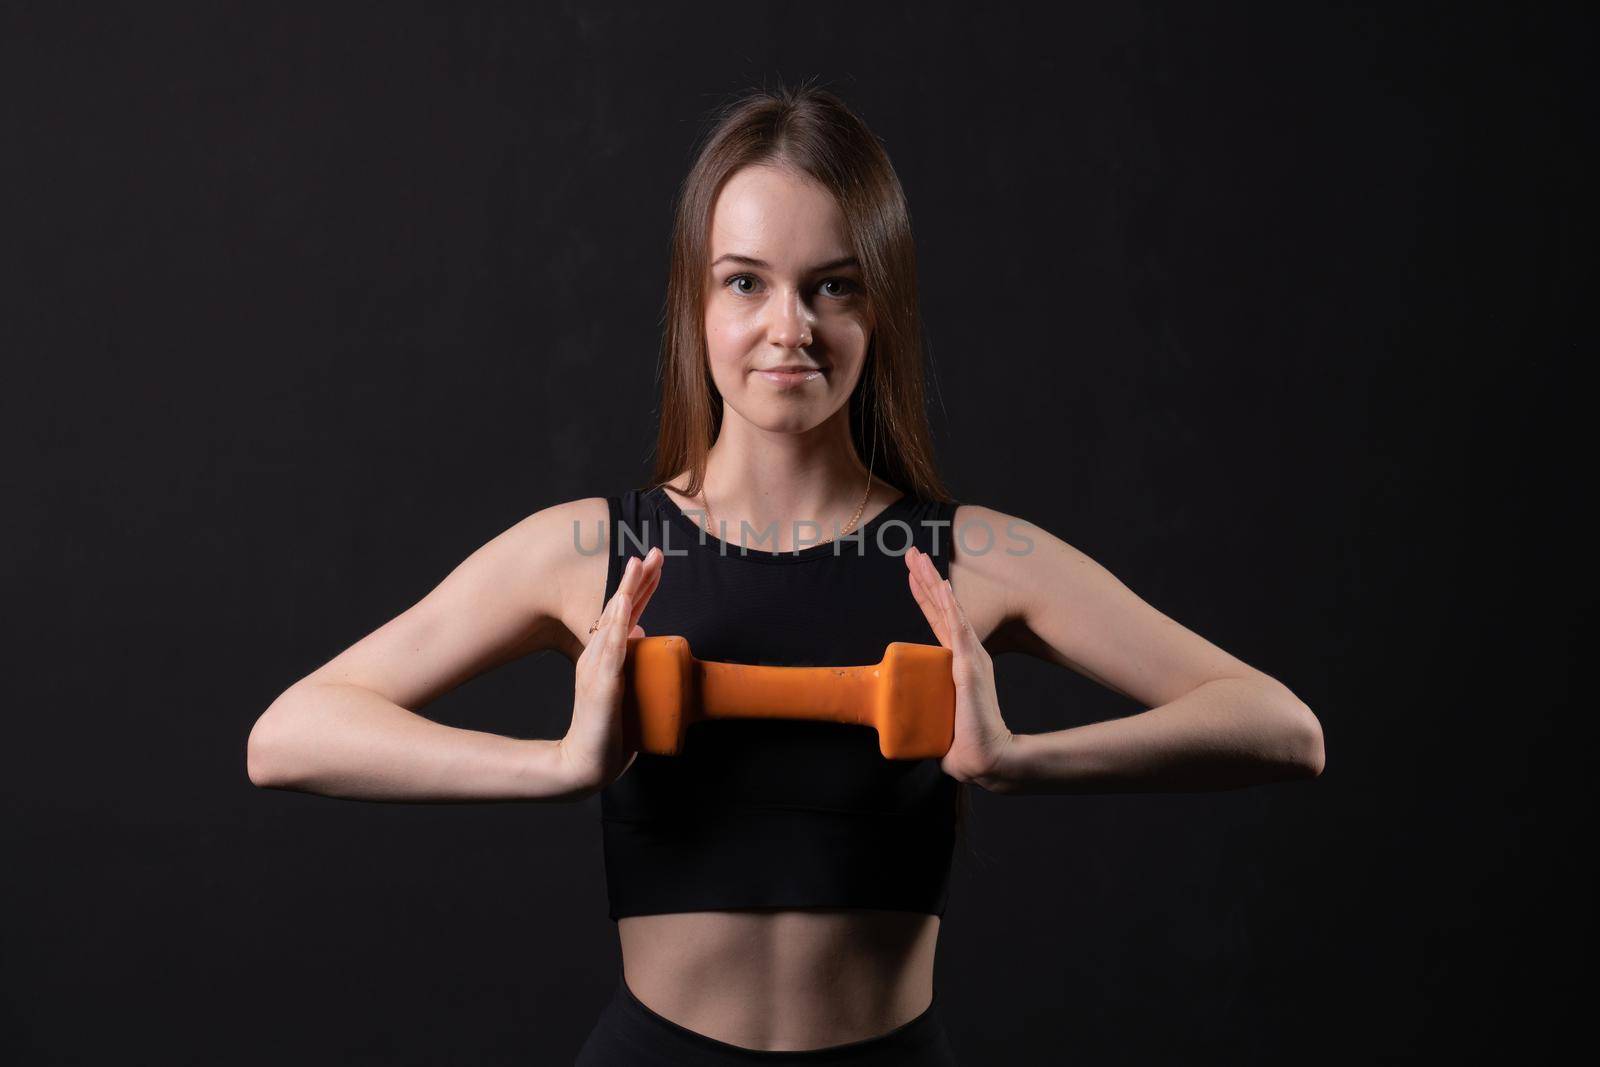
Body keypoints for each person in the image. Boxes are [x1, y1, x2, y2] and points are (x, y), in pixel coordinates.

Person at [246, 82, 1325, 1064]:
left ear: (878, 308)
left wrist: (1019, 757)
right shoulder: (590, 550)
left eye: (832, 287)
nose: (787, 327)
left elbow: (1280, 727)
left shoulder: (971, 556)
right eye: (745, 283)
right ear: (696, 304)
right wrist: (556, 763)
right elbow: (290, 734)